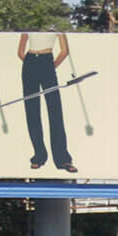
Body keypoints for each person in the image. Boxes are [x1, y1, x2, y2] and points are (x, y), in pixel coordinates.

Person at [13, 32, 76, 172]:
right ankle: (39, 156)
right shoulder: (29, 25)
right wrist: (31, 65)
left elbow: (64, 51)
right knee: (32, 110)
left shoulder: (56, 26)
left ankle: (63, 159)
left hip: (47, 60)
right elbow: (20, 52)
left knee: (55, 110)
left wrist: (50, 66)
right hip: (29, 62)